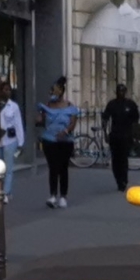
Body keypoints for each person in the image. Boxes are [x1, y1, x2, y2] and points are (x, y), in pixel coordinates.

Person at [36, 77, 79, 207]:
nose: (53, 93)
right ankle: (53, 195)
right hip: (50, 140)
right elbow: (41, 122)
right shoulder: (47, 106)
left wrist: (65, 131)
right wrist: (38, 117)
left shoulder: (70, 106)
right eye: (52, 90)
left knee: (63, 167)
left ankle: (63, 196)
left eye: (56, 90)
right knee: (53, 168)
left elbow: (73, 123)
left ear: (61, 91)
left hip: (65, 141)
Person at [100, 82, 140, 192]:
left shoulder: (130, 104)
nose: (121, 93)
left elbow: (135, 121)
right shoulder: (112, 104)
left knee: (124, 159)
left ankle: (124, 180)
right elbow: (105, 118)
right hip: (115, 135)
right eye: (119, 91)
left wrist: (136, 136)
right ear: (116, 92)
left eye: (123, 91)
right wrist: (105, 134)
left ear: (125, 92)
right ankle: (118, 180)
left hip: (126, 136)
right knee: (115, 160)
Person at [0, 85, 23, 173]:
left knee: (8, 169)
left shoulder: (14, 106)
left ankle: (7, 187)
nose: (8, 92)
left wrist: (20, 143)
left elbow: (18, 124)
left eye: (9, 90)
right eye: (5, 90)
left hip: (10, 140)